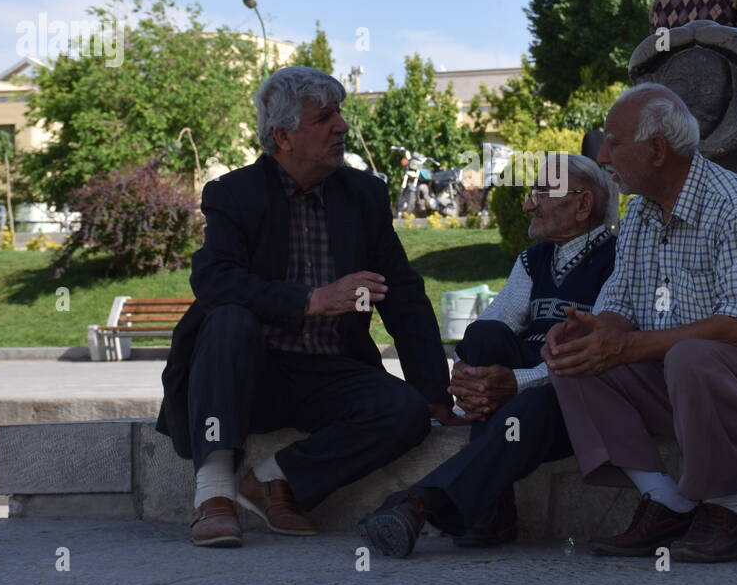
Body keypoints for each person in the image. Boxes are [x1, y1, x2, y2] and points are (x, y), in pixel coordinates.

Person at [155, 66, 462, 548]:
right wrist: (312, 300)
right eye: (324, 117)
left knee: (405, 410)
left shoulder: (364, 195)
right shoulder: (233, 193)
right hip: (248, 373)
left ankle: (277, 481)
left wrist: (434, 392)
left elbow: (401, 293)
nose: (340, 126)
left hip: (330, 373)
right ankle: (214, 495)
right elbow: (215, 279)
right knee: (228, 318)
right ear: (284, 136)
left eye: (339, 113)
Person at [545, 84, 737, 563]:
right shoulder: (639, 213)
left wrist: (625, 348)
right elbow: (621, 302)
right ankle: (665, 500)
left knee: (691, 355)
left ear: (657, 149)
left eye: (614, 141)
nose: (604, 153)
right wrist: (594, 330)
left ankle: (726, 511)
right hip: (683, 384)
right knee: (574, 358)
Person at [357, 154, 618, 558]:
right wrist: (468, 376)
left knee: (525, 408)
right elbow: (496, 323)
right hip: (525, 384)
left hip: (577, 391)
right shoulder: (535, 259)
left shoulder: (619, 260)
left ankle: (419, 503)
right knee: (484, 334)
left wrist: (516, 382)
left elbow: (590, 354)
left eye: (542, 193)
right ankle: (490, 509)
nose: (528, 204)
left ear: (583, 205)